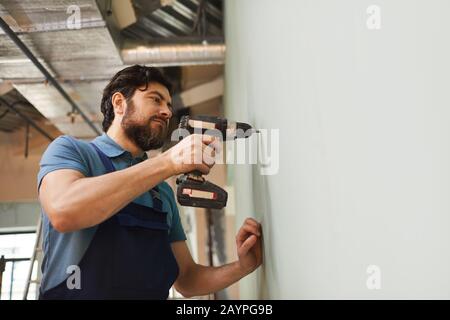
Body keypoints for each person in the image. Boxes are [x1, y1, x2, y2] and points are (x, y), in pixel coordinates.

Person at [37, 65, 262, 299]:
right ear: (119, 104)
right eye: (156, 100)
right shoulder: (72, 151)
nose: (166, 112)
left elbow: (187, 278)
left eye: (168, 106)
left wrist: (243, 266)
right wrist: (168, 162)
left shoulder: (161, 192)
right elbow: (64, 211)